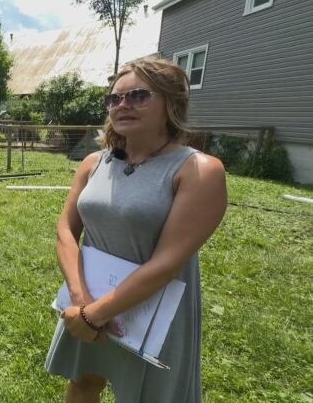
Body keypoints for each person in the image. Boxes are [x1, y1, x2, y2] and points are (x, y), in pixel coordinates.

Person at [45, 58, 228, 403]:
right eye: (114, 99)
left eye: (139, 96)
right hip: (88, 298)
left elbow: (167, 263)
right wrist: (83, 302)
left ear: (171, 103)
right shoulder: (93, 163)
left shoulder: (199, 170)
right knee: (83, 382)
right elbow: (65, 232)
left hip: (152, 309)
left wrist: (96, 315)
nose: (122, 105)